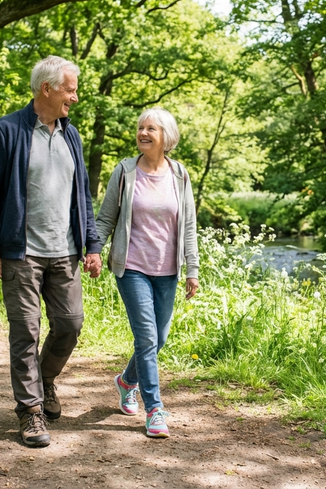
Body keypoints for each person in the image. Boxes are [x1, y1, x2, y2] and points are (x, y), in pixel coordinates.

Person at [0, 56, 102, 448]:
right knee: (25, 332)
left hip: (65, 252)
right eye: (71, 89)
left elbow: (82, 192)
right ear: (46, 88)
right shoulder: (7, 130)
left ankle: (45, 379)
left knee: (70, 324)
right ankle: (30, 411)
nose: (75, 98)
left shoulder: (71, 135)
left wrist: (92, 243)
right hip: (21, 253)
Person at [95, 107, 199, 438]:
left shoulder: (180, 175)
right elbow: (105, 218)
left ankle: (127, 382)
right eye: (140, 127)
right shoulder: (125, 172)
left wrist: (192, 269)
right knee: (147, 337)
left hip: (167, 270)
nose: (142, 132)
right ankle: (155, 409)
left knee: (159, 339)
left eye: (150, 128)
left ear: (165, 137)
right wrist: (93, 251)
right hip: (132, 267)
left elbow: (190, 227)